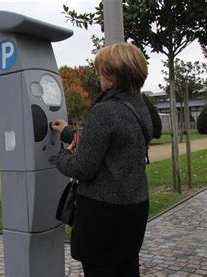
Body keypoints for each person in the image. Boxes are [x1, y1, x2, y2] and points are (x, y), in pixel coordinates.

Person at [50, 42, 153, 276]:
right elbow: (114, 141)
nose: (99, 77)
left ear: (113, 76)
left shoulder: (104, 111)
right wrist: (67, 132)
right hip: (134, 207)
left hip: (103, 215)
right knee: (126, 267)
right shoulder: (140, 106)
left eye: (101, 71)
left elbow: (83, 167)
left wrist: (61, 157)